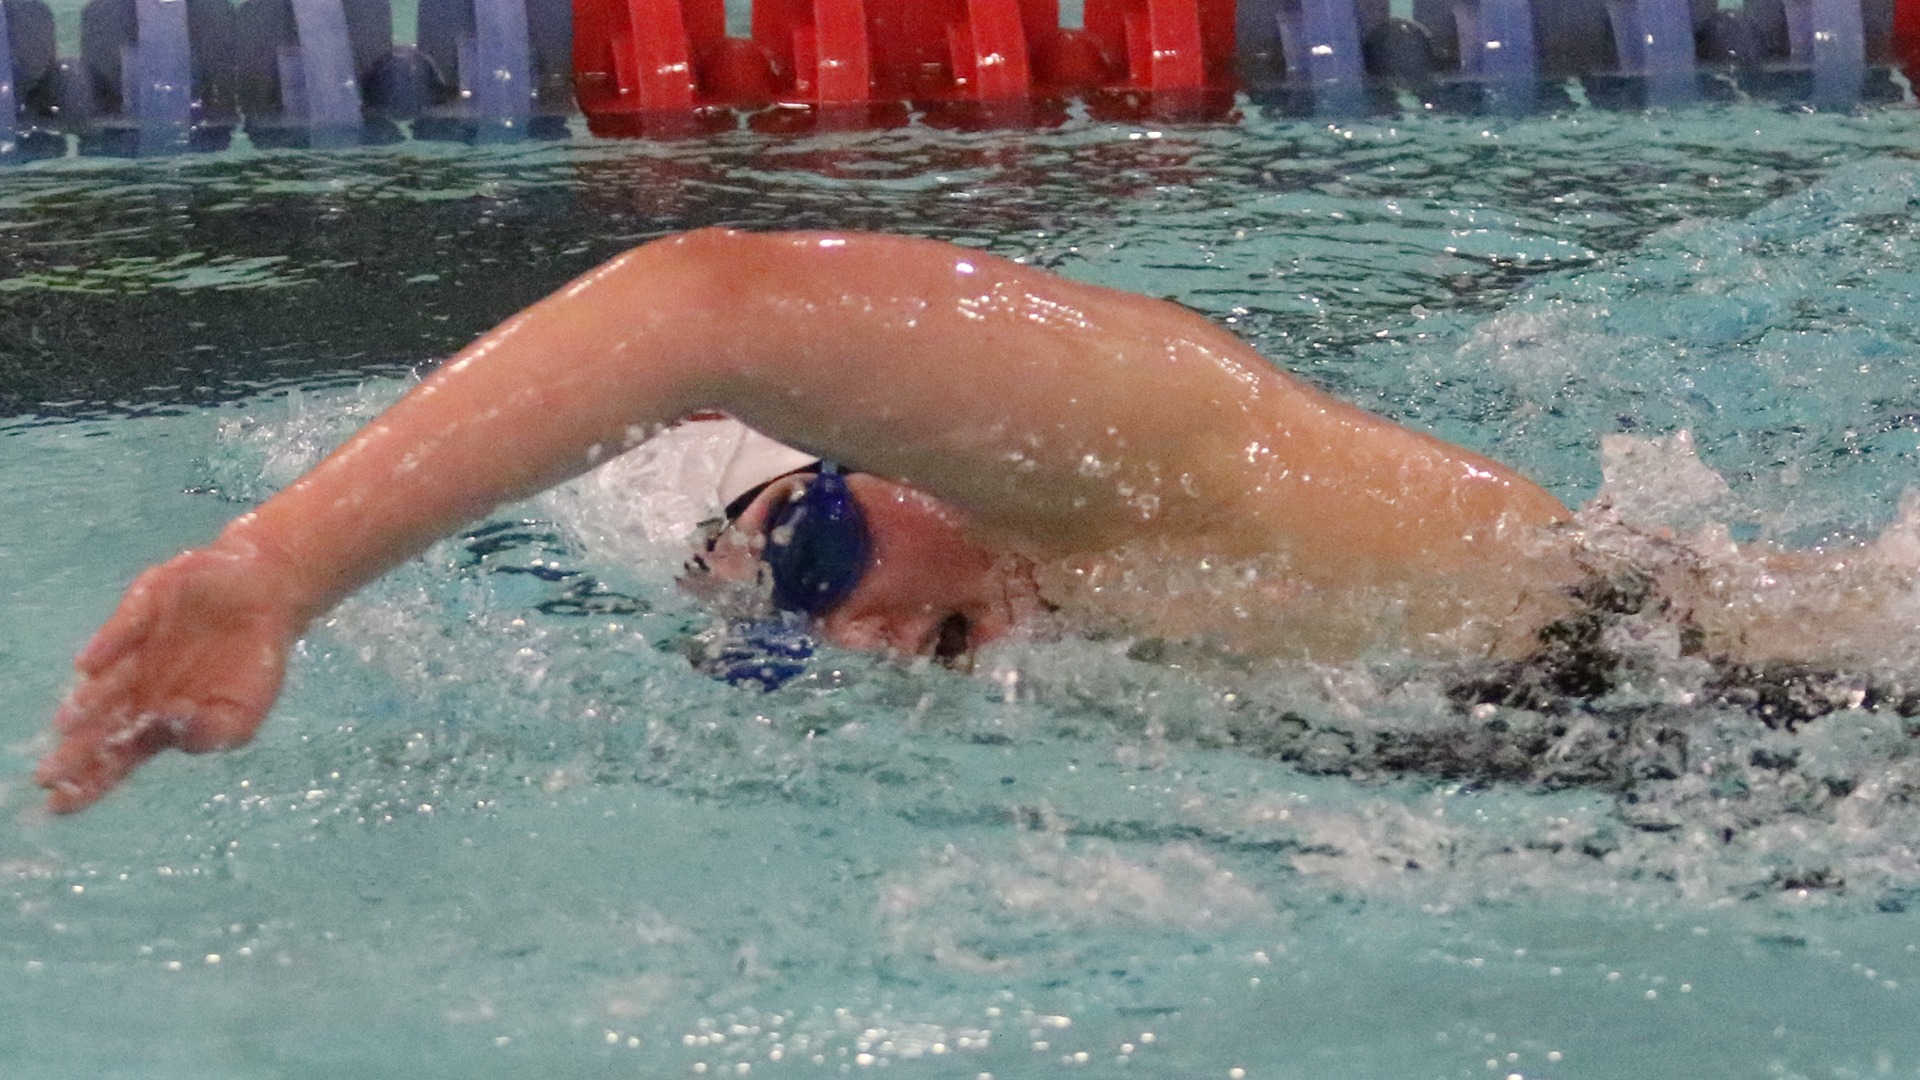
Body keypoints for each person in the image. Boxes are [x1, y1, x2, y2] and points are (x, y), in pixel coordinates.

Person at [34, 229, 1917, 814]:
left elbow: (710, 302)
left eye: (814, 551)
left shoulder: (1145, 459)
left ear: (876, 455)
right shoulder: (1053, 648)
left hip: (1806, 684)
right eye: (782, 621)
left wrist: (283, 566)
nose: (837, 626)